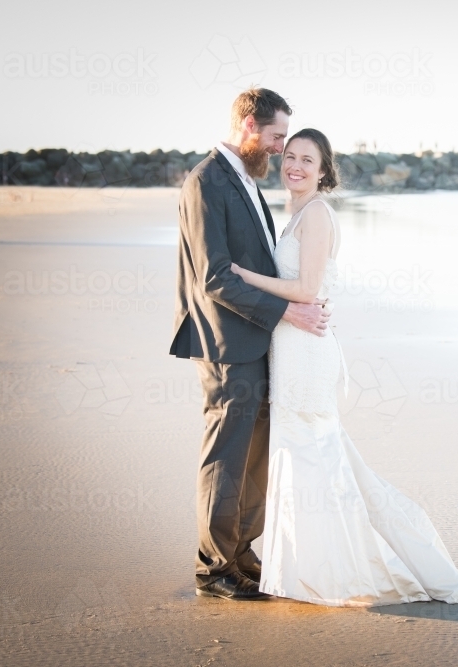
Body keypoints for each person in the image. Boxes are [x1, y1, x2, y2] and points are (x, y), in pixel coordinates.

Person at [231, 128, 458, 607]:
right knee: (307, 460)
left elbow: (307, 289)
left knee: (314, 459)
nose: (295, 165)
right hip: (292, 348)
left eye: (308, 160)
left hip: (306, 355)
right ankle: (305, 570)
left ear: (324, 172)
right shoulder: (294, 212)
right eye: (290, 157)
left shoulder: (318, 214)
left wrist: (244, 277)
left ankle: (329, 574)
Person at [170, 88, 330, 601]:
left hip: (256, 341)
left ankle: (240, 552)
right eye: (277, 136)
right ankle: (213, 567)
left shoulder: (246, 181)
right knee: (227, 455)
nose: (282, 149)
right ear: (248, 126)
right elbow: (215, 278)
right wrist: (289, 310)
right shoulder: (206, 182)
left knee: (253, 454)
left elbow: (260, 268)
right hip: (224, 343)